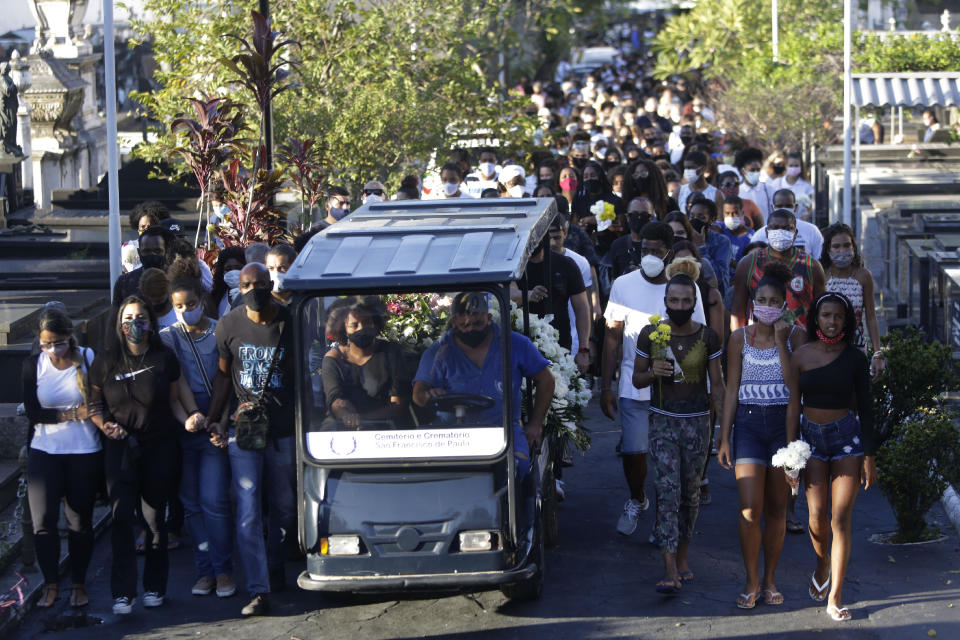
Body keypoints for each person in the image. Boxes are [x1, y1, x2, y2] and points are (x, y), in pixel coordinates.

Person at [601, 222, 707, 537]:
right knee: (634, 452)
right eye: (644, 249)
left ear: (669, 253)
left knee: (669, 464)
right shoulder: (623, 284)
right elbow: (611, 338)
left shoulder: (687, 288)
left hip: (674, 391)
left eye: (655, 251)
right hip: (634, 386)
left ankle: (666, 522)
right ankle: (637, 498)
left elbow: (699, 337)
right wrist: (605, 386)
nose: (649, 255)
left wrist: (698, 386)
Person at [207, 263, 297, 617]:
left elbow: (301, 374)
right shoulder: (228, 324)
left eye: (261, 283)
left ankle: (275, 563)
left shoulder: (290, 321)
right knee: (247, 511)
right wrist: (215, 419)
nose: (254, 289)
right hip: (244, 429)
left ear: (271, 284)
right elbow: (223, 376)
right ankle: (259, 589)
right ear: (239, 288)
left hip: (283, 429)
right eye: (247, 284)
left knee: (285, 508)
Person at [717, 264, 806, 609]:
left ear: (784, 305)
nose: (768, 306)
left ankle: (770, 580)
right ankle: (751, 579)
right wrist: (723, 437)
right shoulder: (740, 338)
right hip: (749, 425)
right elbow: (731, 389)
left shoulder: (794, 335)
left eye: (774, 301)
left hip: (782, 427)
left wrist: (783, 341)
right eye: (762, 300)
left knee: (777, 509)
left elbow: (792, 384)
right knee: (749, 510)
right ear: (753, 303)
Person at [89, 296, 185, 615]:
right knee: (121, 519)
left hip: (159, 446)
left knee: (155, 519)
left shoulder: (164, 358)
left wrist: (191, 418)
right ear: (119, 323)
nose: (135, 323)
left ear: (151, 322)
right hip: (119, 450)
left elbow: (174, 401)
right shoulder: (104, 361)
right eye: (128, 317)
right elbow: (94, 405)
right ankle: (123, 593)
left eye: (141, 317)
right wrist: (105, 427)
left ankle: (155, 587)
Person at [786, 292, 877, 622]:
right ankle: (822, 561)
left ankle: (835, 596)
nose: (832, 321)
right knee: (816, 516)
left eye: (839, 316)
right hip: (810, 442)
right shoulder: (801, 355)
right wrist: (790, 452)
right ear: (816, 318)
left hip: (847, 440)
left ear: (846, 320)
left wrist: (869, 455)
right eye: (826, 315)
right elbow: (793, 405)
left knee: (840, 519)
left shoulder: (855, 358)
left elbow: (866, 408)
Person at [632, 272, 724, 594]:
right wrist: (651, 372)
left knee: (690, 495)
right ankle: (669, 569)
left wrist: (724, 430)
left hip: (698, 422)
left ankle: (683, 557)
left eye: (686, 301)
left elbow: (718, 386)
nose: (680, 306)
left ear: (695, 303)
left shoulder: (708, 337)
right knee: (666, 491)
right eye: (674, 301)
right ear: (666, 302)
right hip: (663, 422)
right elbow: (636, 380)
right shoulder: (652, 335)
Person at [412, 292, 555, 481]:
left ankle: (518, 508)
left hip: (503, 430)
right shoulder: (439, 351)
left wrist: (536, 424)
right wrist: (428, 396)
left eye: (477, 323)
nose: (471, 329)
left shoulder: (515, 343)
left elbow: (546, 380)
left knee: (516, 469)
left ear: (488, 318)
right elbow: (418, 395)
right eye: (464, 325)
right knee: (430, 474)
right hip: (450, 434)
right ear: (454, 321)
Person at [160, 259, 235, 599]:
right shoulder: (169, 337)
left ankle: (223, 571)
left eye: (190, 305)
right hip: (185, 425)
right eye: (178, 307)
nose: (185, 311)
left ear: (202, 300)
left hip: (215, 420)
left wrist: (222, 418)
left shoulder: (220, 330)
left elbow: (231, 380)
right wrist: (188, 415)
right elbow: (173, 382)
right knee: (191, 503)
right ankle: (204, 571)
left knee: (215, 500)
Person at [22, 308, 102, 609]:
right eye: (46, 344)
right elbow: (33, 411)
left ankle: (79, 584)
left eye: (58, 342)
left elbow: (98, 401)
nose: (53, 349)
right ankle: (51, 583)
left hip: (83, 450)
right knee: (43, 521)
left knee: (79, 520)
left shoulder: (88, 358)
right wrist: (69, 414)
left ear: (70, 337)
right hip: (45, 449)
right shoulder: (34, 366)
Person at [322, 296, 411, 429]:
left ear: (376, 324)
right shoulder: (333, 359)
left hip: (385, 426)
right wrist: (346, 415)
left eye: (367, 322)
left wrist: (364, 419)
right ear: (343, 329)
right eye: (354, 325)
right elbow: (335, 400)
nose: (361, 329)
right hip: (343, 428)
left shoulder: (391, 352)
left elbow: (398, 404)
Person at [730, 207, 826, 331]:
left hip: (800, 343)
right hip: (758, 342)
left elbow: (822, 309)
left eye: (787, 228)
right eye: (775, 228)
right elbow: (738, 310)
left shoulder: (812, 266)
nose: (780, 232)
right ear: (766, 232)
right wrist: (739, 341)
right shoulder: (748, 264)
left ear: (795, 233)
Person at [514, 236, 590, 370]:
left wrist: (583, 348)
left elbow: (582, 308)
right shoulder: (514, 264)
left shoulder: (566, 264)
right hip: (522, 342)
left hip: (558, 347)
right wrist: (528, 295)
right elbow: (509, 293)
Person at [821, 224, 885, 376]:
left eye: (847, 245)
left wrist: (877, 353)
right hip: (825, 347)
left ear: (854, 247)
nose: (842, 251)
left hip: (855, 346)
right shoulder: (821, 274)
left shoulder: (863, 276)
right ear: (828, 249)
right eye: (836, 246)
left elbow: (870, 316)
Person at [548, 214, 598, 361]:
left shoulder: (580, 262)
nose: (552, 243)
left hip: (574, 335)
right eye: (548, 238)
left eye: (557, 237)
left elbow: (585, 306)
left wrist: (587, 344)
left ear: (566, 233)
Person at [750, 189, 824, 260]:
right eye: (779, 206)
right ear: (773, 207)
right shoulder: (760, 235)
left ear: (795, 207)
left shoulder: (811, 231)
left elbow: (818, 258)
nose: (784, 209)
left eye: (788, 206)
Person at [112, 226, 175, 309]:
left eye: (157, 251)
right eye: (147, 251)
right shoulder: (124, 282)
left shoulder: (176, 279)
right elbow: (115, 317)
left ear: (165, 251)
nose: (152, 255)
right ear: (139, 252)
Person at [688, 195, 733, 294]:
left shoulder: (722, 242)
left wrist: (701, 247)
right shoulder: (685, 239)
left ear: (712, 220)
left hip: (714, 297)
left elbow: (719, 276)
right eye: (692, 216)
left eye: (701, 217)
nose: (695, 220)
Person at [771, 152, 815, 221]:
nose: (794, 168)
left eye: (796, 165)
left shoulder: (806, 186)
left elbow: (811, 205)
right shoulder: (776, 183)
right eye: (791, 165)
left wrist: (805, 217)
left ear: (801, 167)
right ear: (786, 166)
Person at [205, 246, 246, 319]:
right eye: (228, 269)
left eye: (238, 267)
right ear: (222, 272)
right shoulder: (216, 297)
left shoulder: (253, 296)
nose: (233, 272)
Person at [736, 147, 775, 221]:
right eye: (752, 170)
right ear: (743, 170)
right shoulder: (738, 191)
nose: (756, 173)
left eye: (758, 170)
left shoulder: (768, 189)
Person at [677, 150, 717, 215]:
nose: (687, 171)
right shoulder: (678, 192)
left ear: (703, 168)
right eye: (686, 168)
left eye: (691, 167)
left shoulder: (716, 194)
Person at [720, 195, 754, 268]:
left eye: (735, 213)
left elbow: (748, 267)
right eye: (727, 213)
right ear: (723, 213)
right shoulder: (719, 228)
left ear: (742, 213)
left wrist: (730, 261)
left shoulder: (751, 237)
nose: (731, 216)